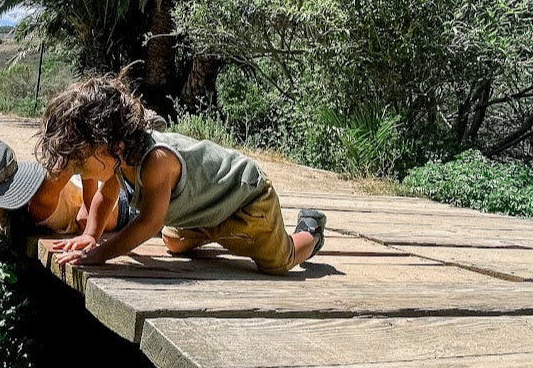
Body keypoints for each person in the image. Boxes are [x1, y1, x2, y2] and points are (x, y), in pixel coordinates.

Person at [37, 73, 326, 272]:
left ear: (113, 145)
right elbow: (105, 196)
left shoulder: (156, 161)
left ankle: (310, 232)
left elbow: (149, 224)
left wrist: (100, 254)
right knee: (173, 242)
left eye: (80, 162)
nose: (77, 170)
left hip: (245, 199)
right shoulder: (120, 156)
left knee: (278, 262)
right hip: (203, 209)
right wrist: (90, 235)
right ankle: (219, 232)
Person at [0, 135, 131, 234]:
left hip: (125, 205)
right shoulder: (17, 213)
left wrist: (90, 206)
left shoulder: (40, 200)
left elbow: (77, 151)